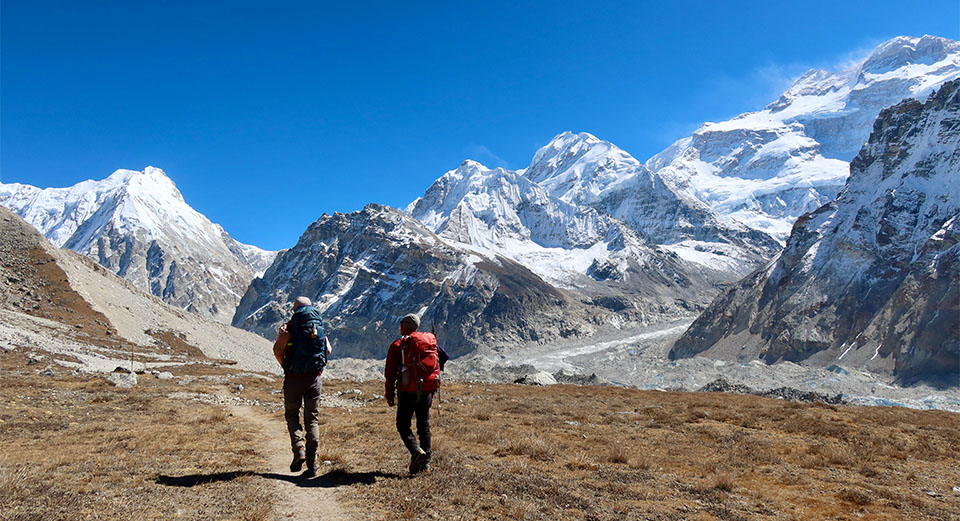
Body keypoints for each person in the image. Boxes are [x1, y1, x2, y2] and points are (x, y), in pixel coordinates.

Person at [272, 296, 331, 479]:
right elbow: (327, 349)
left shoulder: (289, 327)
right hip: (314, 379)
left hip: (294, 379)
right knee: (312, 420)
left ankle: (299, 450)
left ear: (295, 309)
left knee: (292, 415)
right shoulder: (318, 326)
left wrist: (286, 367)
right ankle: (312, 464)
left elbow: (277, 350)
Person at [384, 313, 443, 475]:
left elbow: (390, 373)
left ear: (405, 326)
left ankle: (416, 451)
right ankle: (426, 463)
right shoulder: (429, 342)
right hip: (427, 389)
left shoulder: (399, 345)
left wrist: (389, 394)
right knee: (423, 425)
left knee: (403, 425)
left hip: (407, 390)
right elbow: (442, 358)